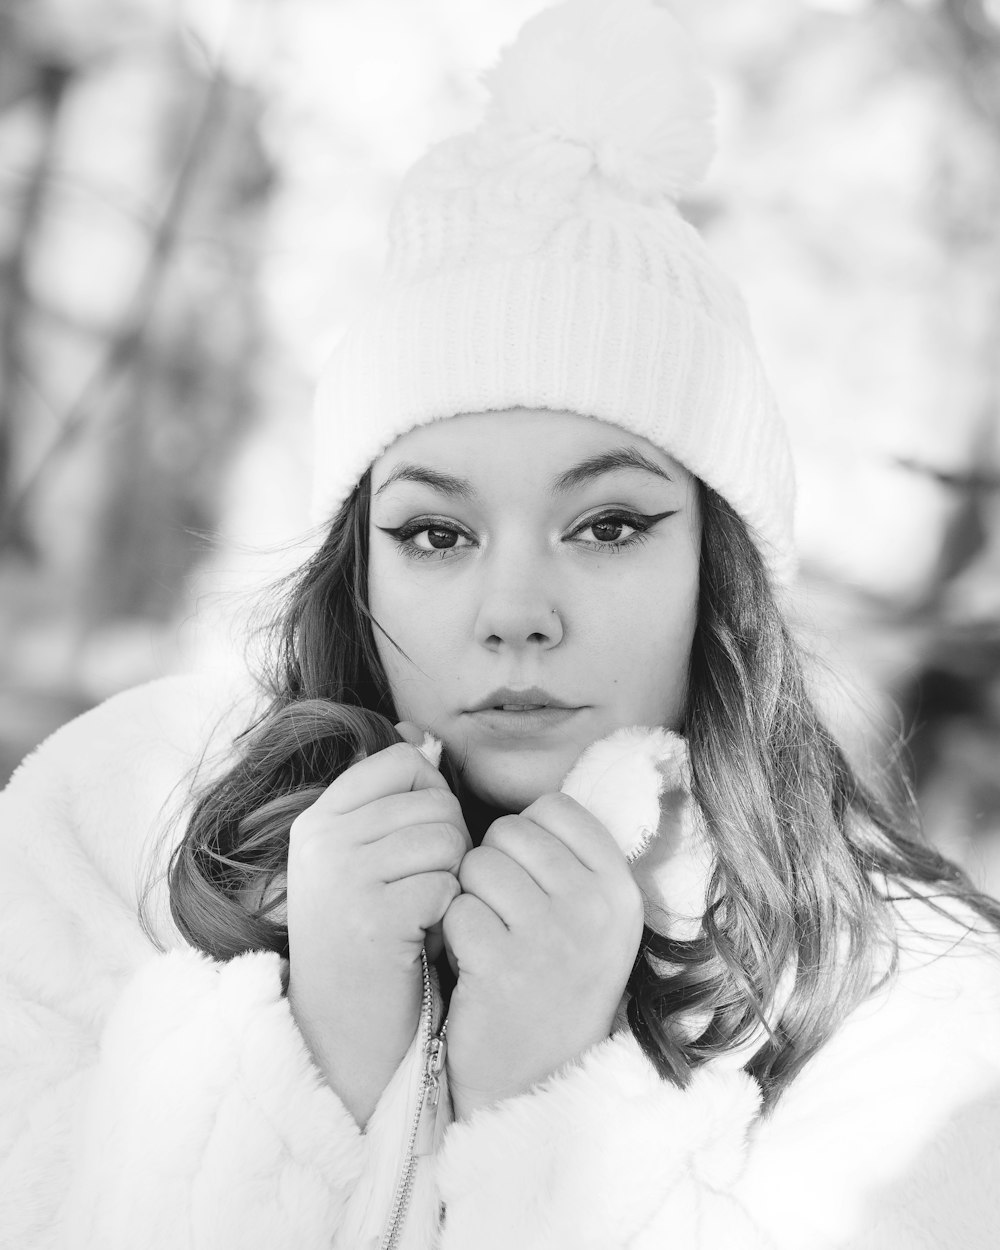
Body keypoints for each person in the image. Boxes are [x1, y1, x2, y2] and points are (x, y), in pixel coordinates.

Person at [3, 2, 1000, 1248]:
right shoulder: (118, 837)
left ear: (719, 562)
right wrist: (325, 1049)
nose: (517, 614)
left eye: (608, 524)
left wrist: (543, 1112)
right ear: (353, 564)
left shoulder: (905, 1002)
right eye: (436, 533)